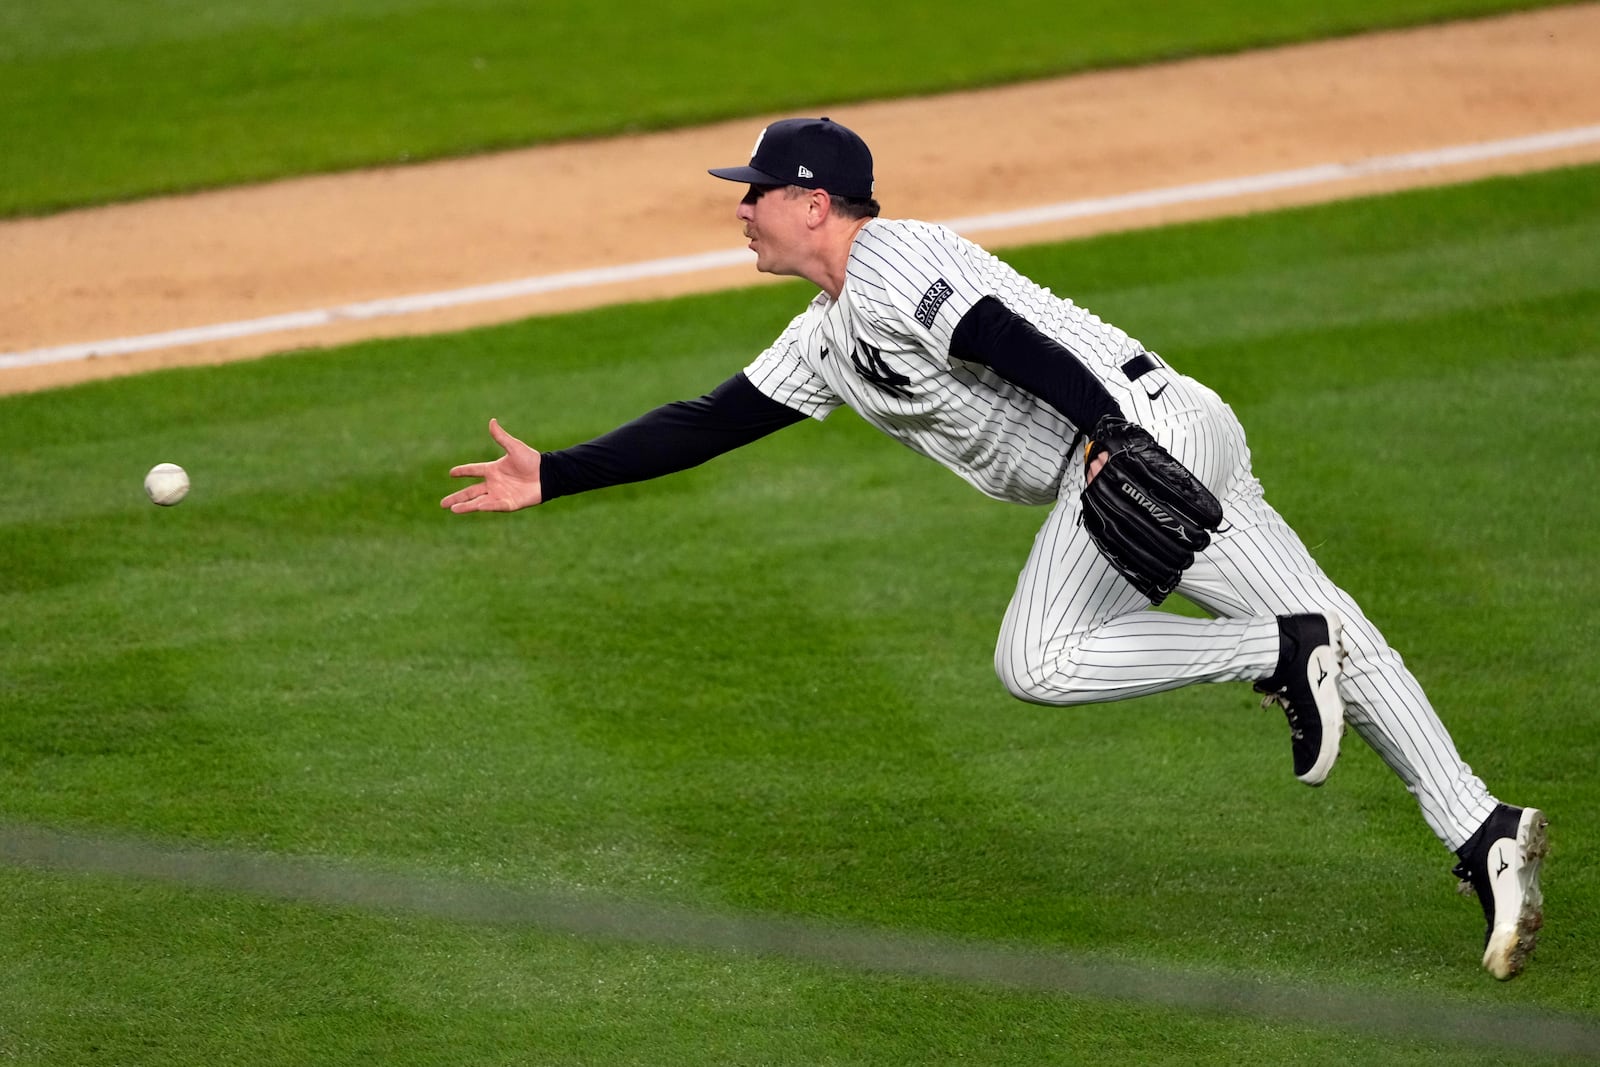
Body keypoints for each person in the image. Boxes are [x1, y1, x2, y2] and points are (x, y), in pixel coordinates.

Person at [441, 117, 1547, 979]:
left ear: (814, 203)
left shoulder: (891, 258)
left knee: (1042, 657)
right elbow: (713, 417)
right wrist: (559, 472)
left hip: (1129, 443)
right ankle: (1481, 826)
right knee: (1338, 633)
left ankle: (1267, 652)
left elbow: (995, 335)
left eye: (756, 194)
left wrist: (1107, 438)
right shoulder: (827, 329)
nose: (742, 211)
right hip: (1166, 434)